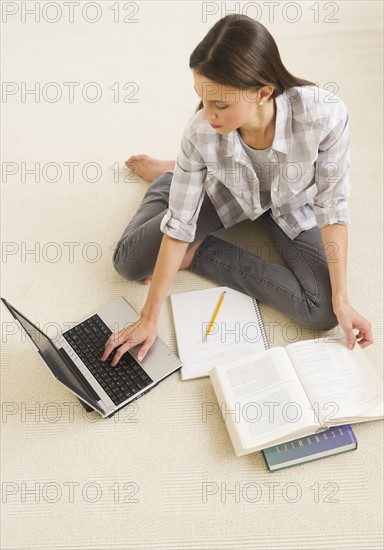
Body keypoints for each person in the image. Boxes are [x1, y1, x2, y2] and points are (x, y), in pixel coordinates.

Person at [101, 14, 373, 367]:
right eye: (202, 98)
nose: (207, 114)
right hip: (225, 190)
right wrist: (148, 318)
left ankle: (189, 226)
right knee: (129, 262)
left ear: (262, 92)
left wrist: (343, 299)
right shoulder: (201, 131)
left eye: (221, 105)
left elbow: (332, 208)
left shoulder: (325, 116)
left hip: (292, 205)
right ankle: (171, 177)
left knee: (322, 313)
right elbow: (180, 223)